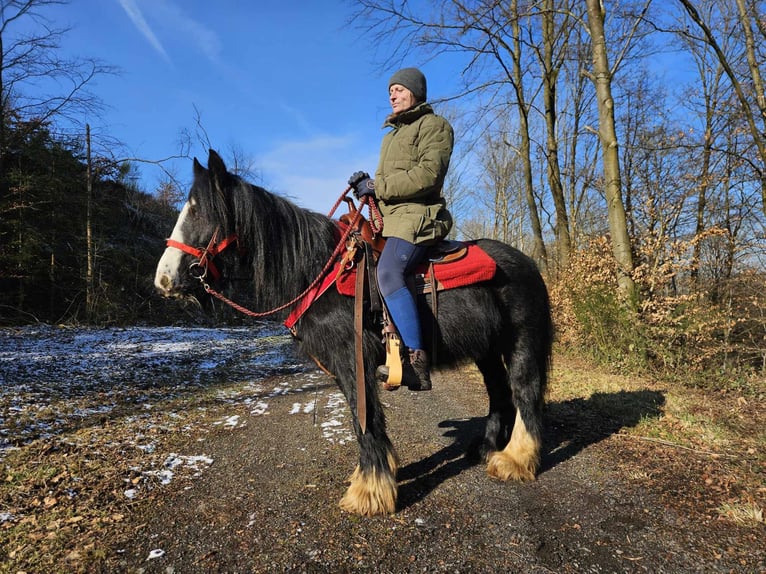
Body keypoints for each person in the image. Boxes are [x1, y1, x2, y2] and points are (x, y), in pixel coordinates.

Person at [348, 67, 454, 391]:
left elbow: (427, 176)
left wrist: (378, 185)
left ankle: (416, 363)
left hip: (419, 215)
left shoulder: (435, 126)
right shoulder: (389, 137)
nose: (392, 95)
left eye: (398, 89)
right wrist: (366, 188)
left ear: (415, 92)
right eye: (390, 91)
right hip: (392, 219)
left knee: (389, 272)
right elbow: (386, 185)